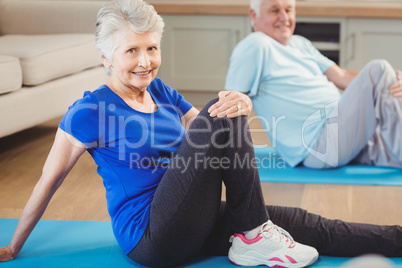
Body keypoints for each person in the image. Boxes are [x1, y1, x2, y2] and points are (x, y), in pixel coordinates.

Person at [0, 0, 401, 267]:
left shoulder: (160, 90)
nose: (146, 62)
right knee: (222, 105)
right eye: (131, 51)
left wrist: (240, 108)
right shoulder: (88, 111)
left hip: (192, 214)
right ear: (105, 58)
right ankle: (256, 233)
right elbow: (47, 182)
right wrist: (14, 246)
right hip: (151, 236)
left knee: (304, 222)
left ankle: (392, 239)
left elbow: (213, 139)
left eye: (152, 49)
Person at [223, 0, 402, 169]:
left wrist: (390, 79)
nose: (284, 18)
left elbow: (343, 76)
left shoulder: (300, 43)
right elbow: (229, 101)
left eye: (288, 10)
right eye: (274, 10)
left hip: (343, 130)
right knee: (379, 68)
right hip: (318, 143)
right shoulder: (255, 45)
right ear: (254, 16)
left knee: (386, 76)